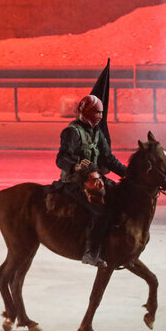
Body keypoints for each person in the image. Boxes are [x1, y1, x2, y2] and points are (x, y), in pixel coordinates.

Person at [55, 94, 127, 268]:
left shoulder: (97, 132)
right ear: (86, 112)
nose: (100, 116)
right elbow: (61, 159)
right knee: (99, 210)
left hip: (93, 179)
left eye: (101, 112)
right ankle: (91, 252)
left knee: (119, 196)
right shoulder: (72, 132)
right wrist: (76, 166)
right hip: (74, 182)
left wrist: (129, 173)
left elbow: (109, 158)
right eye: (96, 112)